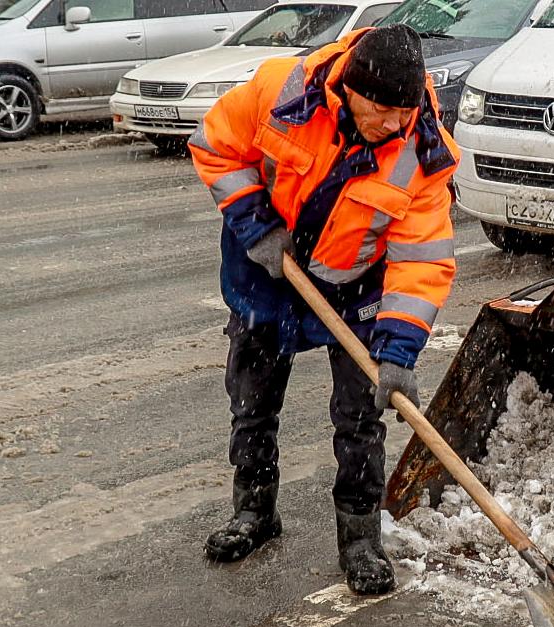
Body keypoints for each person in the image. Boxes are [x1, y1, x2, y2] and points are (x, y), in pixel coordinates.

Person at [189, 24, 460, 595]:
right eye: (380, 109)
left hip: (354, 286)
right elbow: (217, 146)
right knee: (252, 400)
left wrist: (400, 349)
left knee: (361, 416)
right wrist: (254, 225)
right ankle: (255, 512)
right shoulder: (281, 89)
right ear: (350, 88)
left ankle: (360, 537)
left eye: (401, 112)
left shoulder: (423, 155)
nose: (391, 123)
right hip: (267, 268)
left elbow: (422, 261)